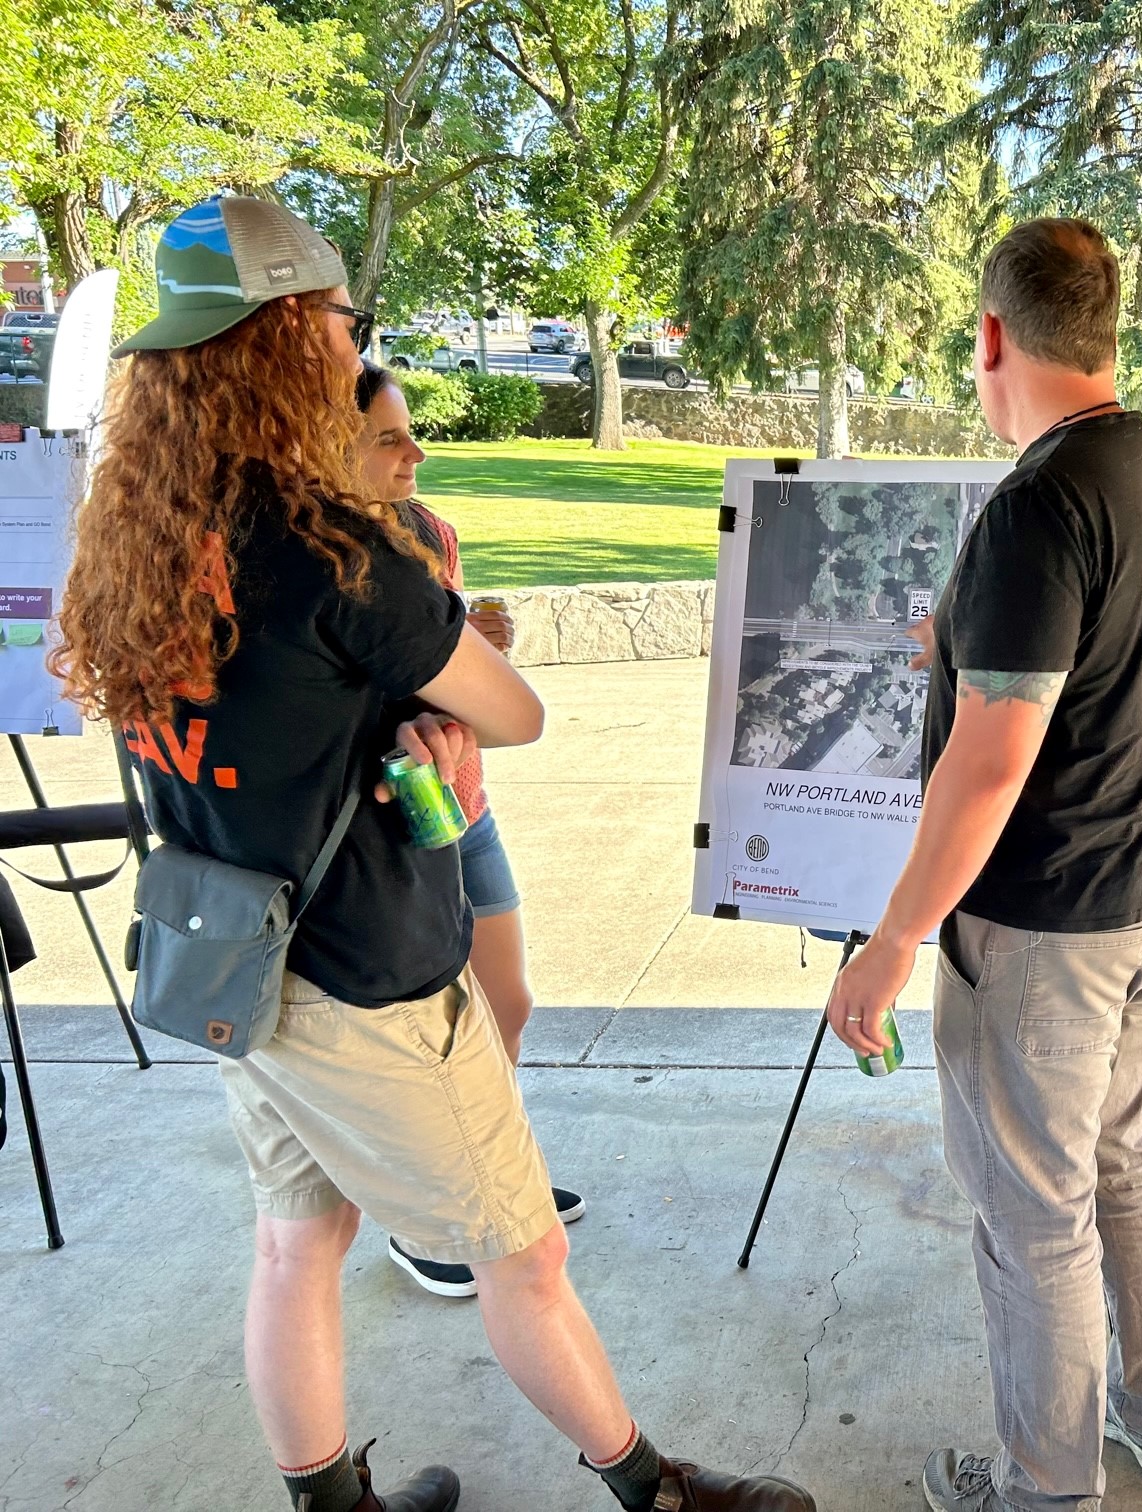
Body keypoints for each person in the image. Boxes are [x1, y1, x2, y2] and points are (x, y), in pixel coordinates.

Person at [56, 195, 815, 1512]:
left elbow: (275, 710)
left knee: (298, 1239)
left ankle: (331, 1506)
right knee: (522, 1260)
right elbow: (513, 709)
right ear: (285, 337)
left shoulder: (140, 536)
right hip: (366, 981)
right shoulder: (332, 550)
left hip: (234, 962)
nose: (357, 340)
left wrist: (388, 701)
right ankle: (659, 1491)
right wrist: (430, 689)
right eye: (340, 318)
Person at [825, 218, 1142, 1511]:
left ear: (992, 338)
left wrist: (891, 941)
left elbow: (991, 766)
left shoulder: (1039, 504)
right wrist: (966, 640)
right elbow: (1102, 671)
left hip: (1048, 930)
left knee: (1034, 1215)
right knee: (1122, 1163)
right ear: (1106, 333)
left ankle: (1046, 1491)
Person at [352, 360, 584, 1300]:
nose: (415, 452)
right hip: (384, 830)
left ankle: (499, 1189)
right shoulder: (314, 561)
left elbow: (447, 662)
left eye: (411, 432)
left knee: (507, 1003)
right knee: (426, 1040)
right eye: (388, 438)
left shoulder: (428, 532)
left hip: (462, 807)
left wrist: (481, 643)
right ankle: (437, 1223)